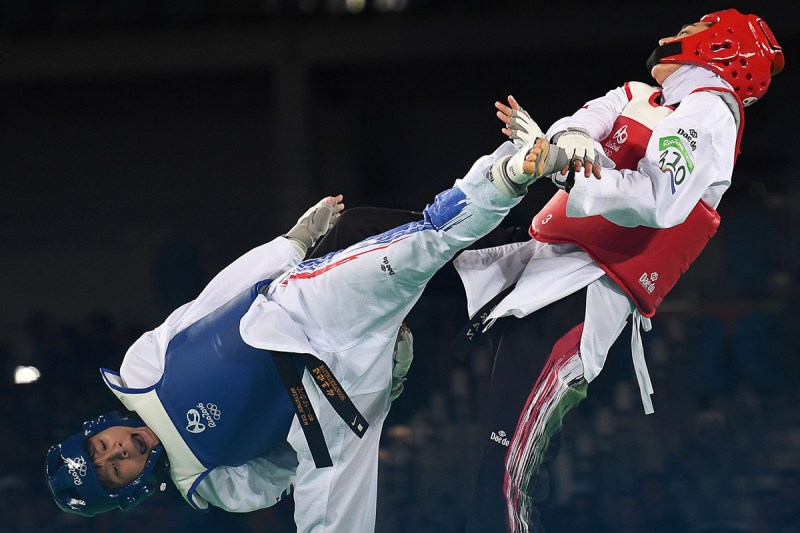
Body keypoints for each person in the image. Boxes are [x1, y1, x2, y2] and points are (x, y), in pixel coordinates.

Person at [307, 8, 785, 532]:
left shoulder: (712, 113)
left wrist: (569, 172)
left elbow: (658, 199)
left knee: (507, 468)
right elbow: (579, 122)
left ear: (721, 48)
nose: (675, 35)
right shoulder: (634, 95)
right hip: (531, 253)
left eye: (693, 31)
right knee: (365, 234)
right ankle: (303, 327)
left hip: (583, 293)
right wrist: (567, 143)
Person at [44, 131, 571, 532]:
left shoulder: (139, 374)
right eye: (113, 471)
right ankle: (392, 372)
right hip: (333, 407)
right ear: (131, 489)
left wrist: (290, 246)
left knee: (420, 245)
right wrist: (382, 391)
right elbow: (282, 470)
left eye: (98, 449)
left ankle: (514, 173)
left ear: (96, 429)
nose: (116, 453)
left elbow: (214, 299)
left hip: (296, 316)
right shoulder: (210, 487)